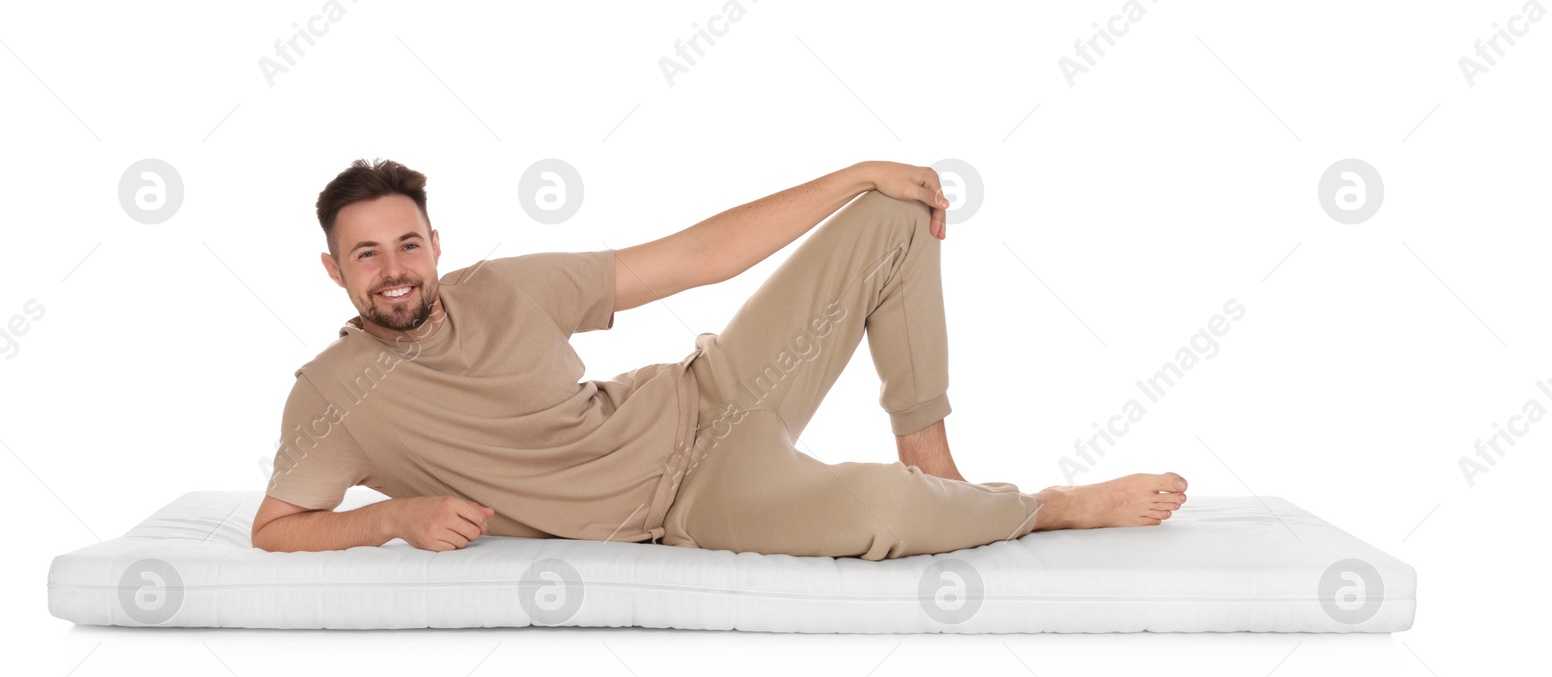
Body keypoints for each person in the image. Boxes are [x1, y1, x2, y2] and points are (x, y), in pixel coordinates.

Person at [251, 158, 1188, 559]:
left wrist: (856, 175)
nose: (395, 272)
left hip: (708, 398)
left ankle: (935, 456)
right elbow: (275, 527)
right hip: (684, 504)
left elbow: (699, 257)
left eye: (407, 245)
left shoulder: (505, 287)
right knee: (884, 514)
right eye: (367, 255)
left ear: (436, 244)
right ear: (334, 271)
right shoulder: (331, 396)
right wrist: (393, 519)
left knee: (893, 217)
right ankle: (1045, 509)